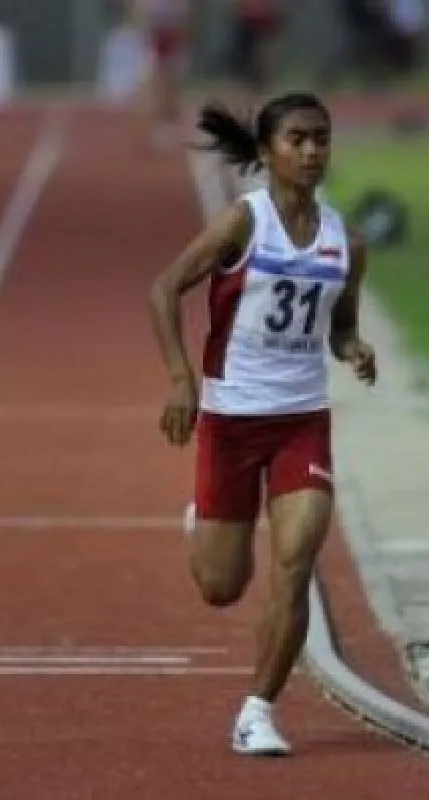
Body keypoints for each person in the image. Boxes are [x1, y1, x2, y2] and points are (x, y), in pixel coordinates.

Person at [148, 91, 378, 756]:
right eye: (296, 140)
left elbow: (341, 325)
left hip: (301, 422)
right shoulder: (243, 224)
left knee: (296, 561)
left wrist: (354, 348)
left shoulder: (346, 242)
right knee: (221, 587)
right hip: (232, 422)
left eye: (321, 139)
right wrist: (181, 379)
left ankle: (258, 711)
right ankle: (207, 517)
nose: (311, 152)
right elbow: (164, 289)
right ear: (267, 152)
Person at [133, 0, 190, 147]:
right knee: (159, 74)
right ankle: (160, 120)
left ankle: (168, 118)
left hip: (171, 25)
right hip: (158, 26)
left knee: (171, 76)